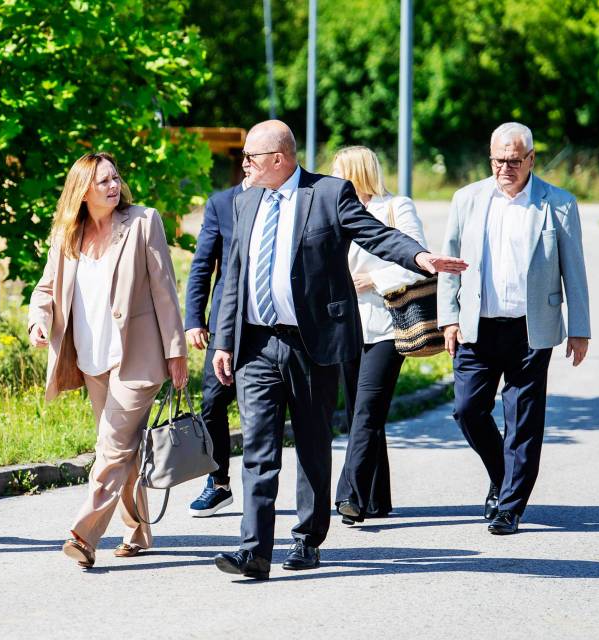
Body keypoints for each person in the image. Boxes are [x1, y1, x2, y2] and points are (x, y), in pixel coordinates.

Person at [210, 120, 467, 580]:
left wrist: (420, 258)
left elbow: (376, 234)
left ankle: (307, 539)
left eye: (250, 156)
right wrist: (223, 340)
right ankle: (254, 551)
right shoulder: (246, 201)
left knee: (312, 444)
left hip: (312, 344)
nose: (243, 164)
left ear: (278, 159)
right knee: (258, 449)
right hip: (257, 344)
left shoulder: (328, 194)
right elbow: (234, 276)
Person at [27, 152, 188, 568]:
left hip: (138, 357)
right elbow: (45, 288)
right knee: (124, 451)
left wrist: (176, 352)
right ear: (83, 191)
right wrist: (38, 322)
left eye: (116, 178)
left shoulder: (143, 222)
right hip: (92, 360)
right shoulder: (67, 235)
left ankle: (84, 534)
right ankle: (137, 532)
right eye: (104, 181)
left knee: (111, 446)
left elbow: (165, 290)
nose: (114, 186)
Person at [438, 122, 591, 535]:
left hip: (531, 329)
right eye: (498, 161)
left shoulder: (558, 203)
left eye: (514, 161)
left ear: (531, 159)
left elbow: (573, 270)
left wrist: (579, 328)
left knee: (523, 420)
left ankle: (509, 507)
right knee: (467, 410)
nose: (505, 168)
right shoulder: (467, 199)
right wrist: (448, 318)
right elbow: (449, 263)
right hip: (476, 326)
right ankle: (503, 474)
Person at [330, 146, 430, 525]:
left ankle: (350, 495)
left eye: (338, 171)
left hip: (388, 325)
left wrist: (373, 279)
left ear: (355, 173)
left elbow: (417, 261)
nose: (332, 178)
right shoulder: (336, 210)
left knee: (367, 410)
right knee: (359, 411)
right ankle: (376, 498)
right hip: (346, 326)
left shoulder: (396, 207)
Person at [184, 177, 249, 517]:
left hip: (277, 325)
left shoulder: (290, 199)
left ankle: (263, 489)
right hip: (225, 324)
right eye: (245, 156)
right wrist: (194, 319)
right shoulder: (222, 203)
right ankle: (219, 483)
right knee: (212, 403)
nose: (247, 163)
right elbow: (202, 265)